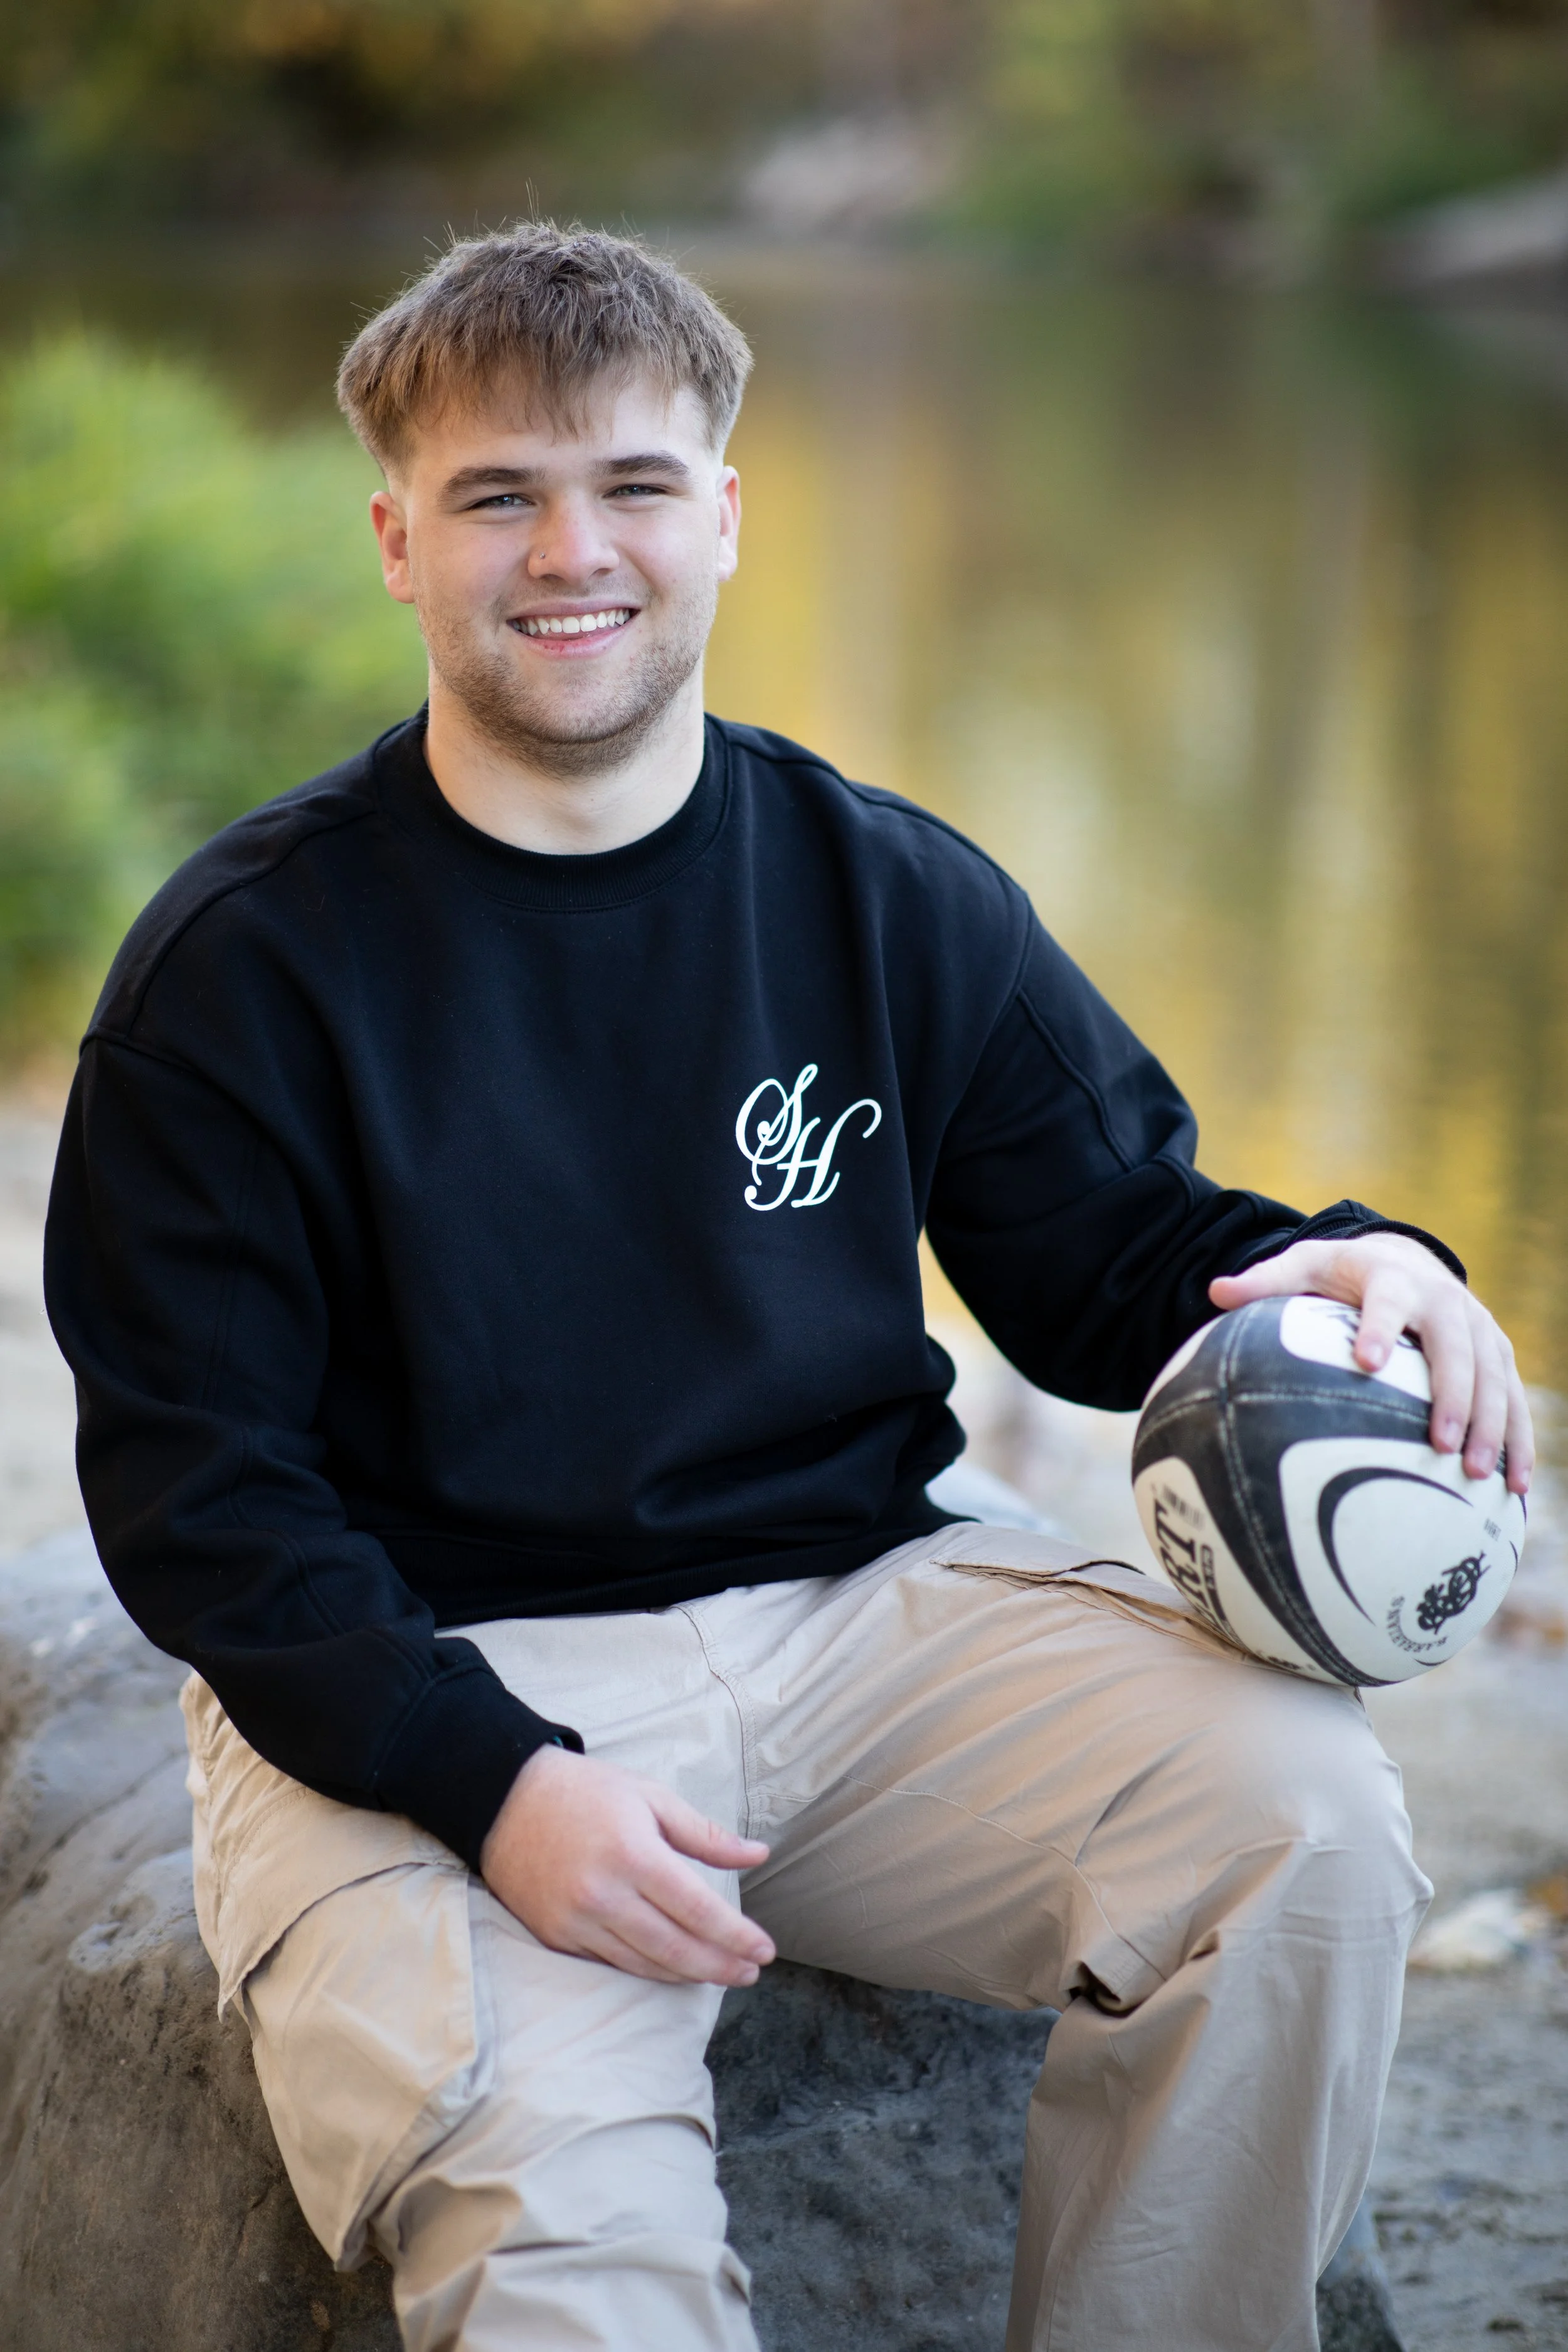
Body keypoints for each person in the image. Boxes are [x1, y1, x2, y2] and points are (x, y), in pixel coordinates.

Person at [43, 224, 1531, 2352]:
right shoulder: (243, 974)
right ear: (396, 537)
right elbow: (205, 1502)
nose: (575, 550)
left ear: (725, 513)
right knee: (582, 2270)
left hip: (859, 1628)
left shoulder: (882, 889)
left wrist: (1357, 1263)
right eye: (498, 495)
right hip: (440, 1676)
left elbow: (1113, 1259)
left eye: (634, 484)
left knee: (1300, 1815)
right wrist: (495, 1782)